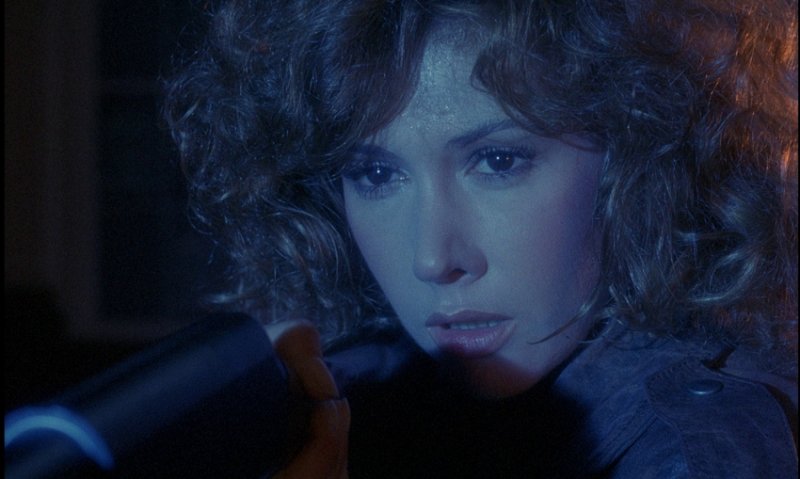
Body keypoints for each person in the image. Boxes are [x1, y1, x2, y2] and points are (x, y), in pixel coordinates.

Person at [163, 0, 798, 477]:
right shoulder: (362, 400)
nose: (433, 258)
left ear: (637, 158)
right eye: (376, 174)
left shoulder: (697, 453)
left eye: (498, 161)